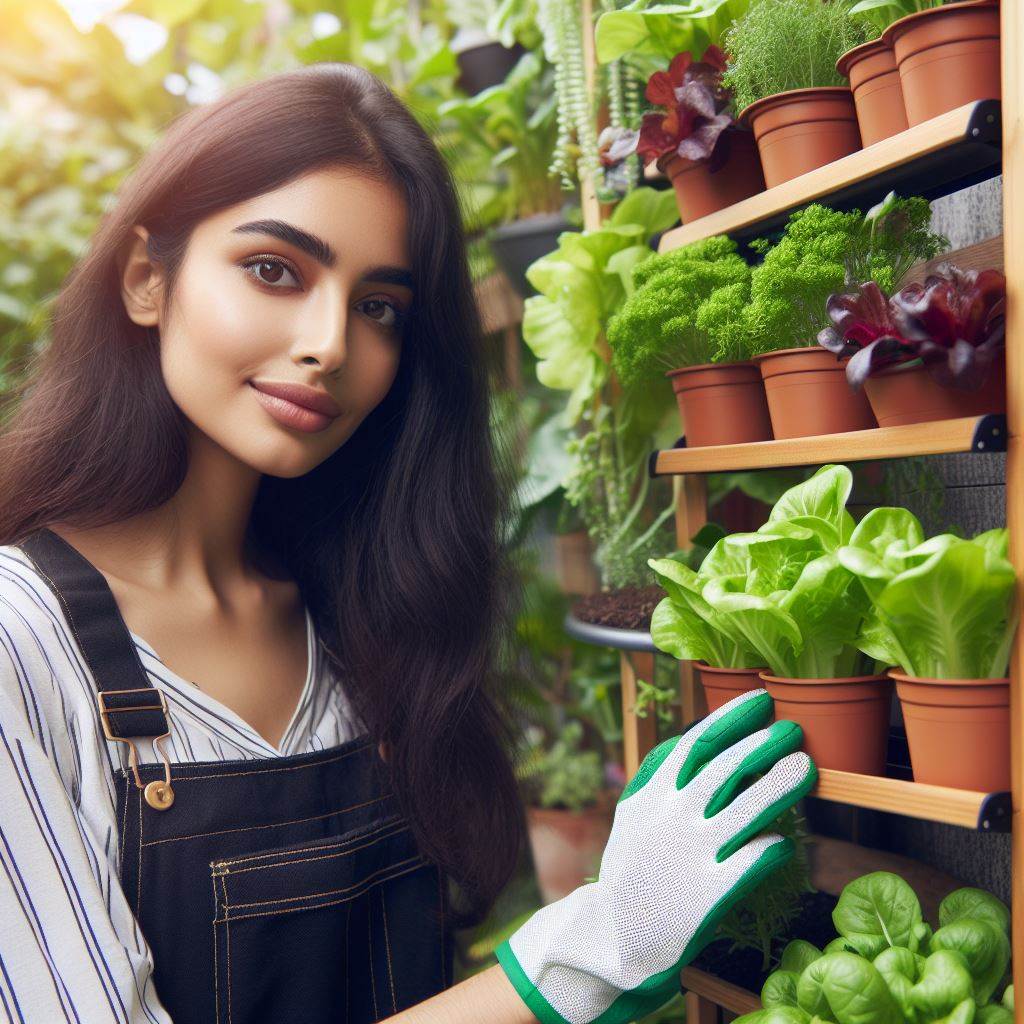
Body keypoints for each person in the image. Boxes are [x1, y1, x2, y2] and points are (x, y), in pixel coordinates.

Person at [0, 62, 814, 1024]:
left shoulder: (363, 618)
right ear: (147, 279)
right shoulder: (24, 639)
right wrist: (581, 953)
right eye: (274, 270)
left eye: (378, 305)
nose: (329, 342)